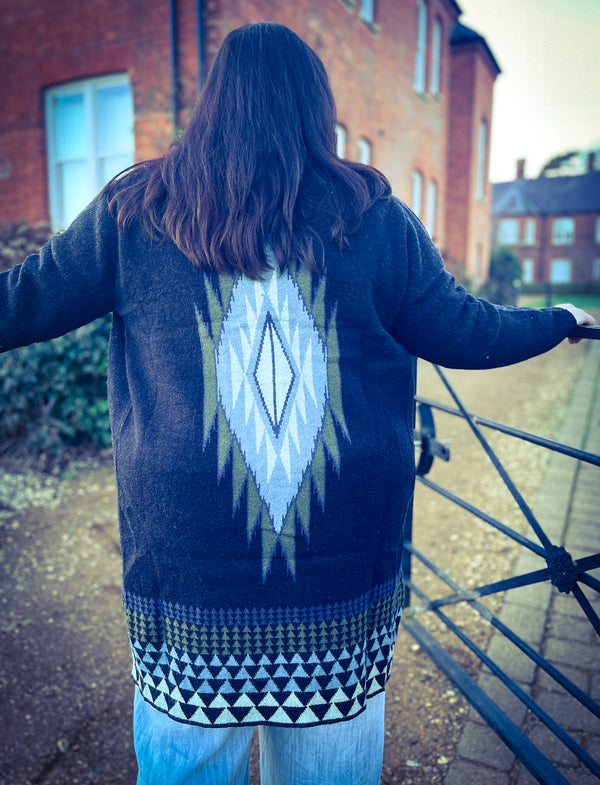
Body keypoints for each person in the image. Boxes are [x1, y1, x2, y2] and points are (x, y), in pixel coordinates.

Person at [0, 21, 594, 785]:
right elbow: (464, 330)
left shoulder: (135, 209)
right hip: (337, 575)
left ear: (214, 104)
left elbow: (22, 300)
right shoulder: (377, 217)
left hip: (190, 577)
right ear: (318, 108)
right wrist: (562, 321)